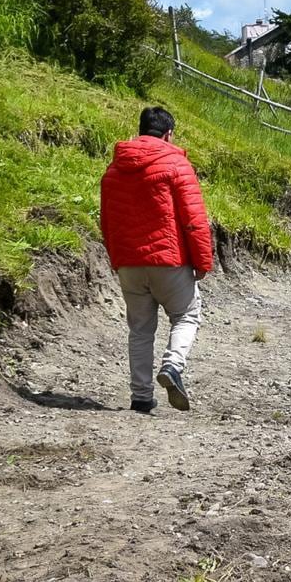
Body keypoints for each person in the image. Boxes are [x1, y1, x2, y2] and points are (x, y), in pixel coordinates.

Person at [100, 107, 212, 413]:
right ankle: (173, 366)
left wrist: (117, 259)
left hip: (129, 263)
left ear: (140, 130)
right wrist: (202, 261)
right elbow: (194, 219)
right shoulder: (177, 164)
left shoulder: (113, 169)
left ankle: (141, 397)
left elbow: (106, 221)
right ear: (169, 134)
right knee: (186, 316)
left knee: (140, 330)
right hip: (169, 260)